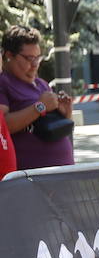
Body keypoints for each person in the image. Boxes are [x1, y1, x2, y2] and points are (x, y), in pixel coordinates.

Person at [0, 25, 75, 169]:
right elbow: (2, 126)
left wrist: (66, 114)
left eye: (38, 58)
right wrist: (40, 107)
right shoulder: (3, 83)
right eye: (29, 58)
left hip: (63, 175)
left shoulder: (42, 84)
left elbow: (50, 126)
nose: (35, 64)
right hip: (32, 181)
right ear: (9, 55)